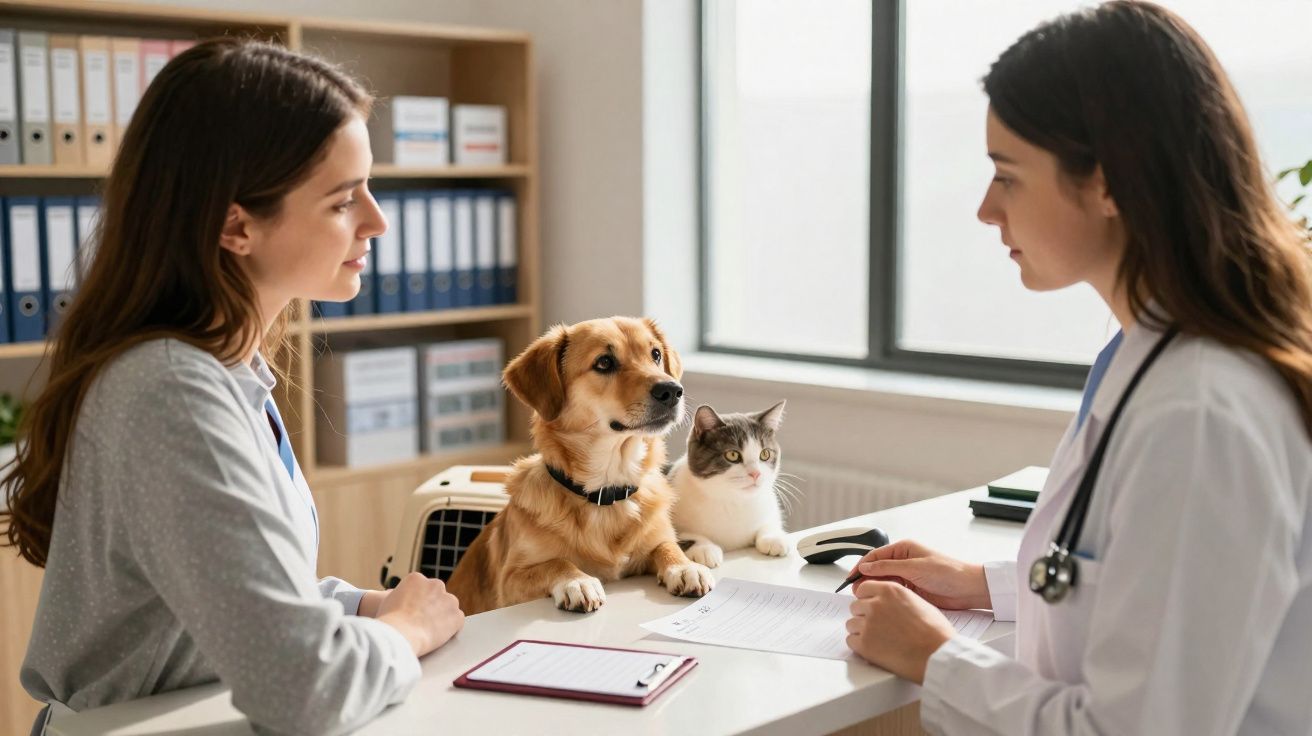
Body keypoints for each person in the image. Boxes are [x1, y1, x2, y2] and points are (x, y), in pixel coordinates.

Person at [843, 2, 1312, 733]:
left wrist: (938, 658)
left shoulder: (1199, 413)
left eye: (1007, 176)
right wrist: (984, 585)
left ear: (1108, 181)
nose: (986, 210)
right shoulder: (1151, 355)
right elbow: (1151, 586)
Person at [0, 38, 464, 736]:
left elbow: (231, 591)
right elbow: (304, 690)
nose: (378, 221)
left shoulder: (223, 371)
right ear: (236, 225)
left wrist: (362, 608)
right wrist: (408, 631)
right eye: (344, 200)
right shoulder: (171, 393)